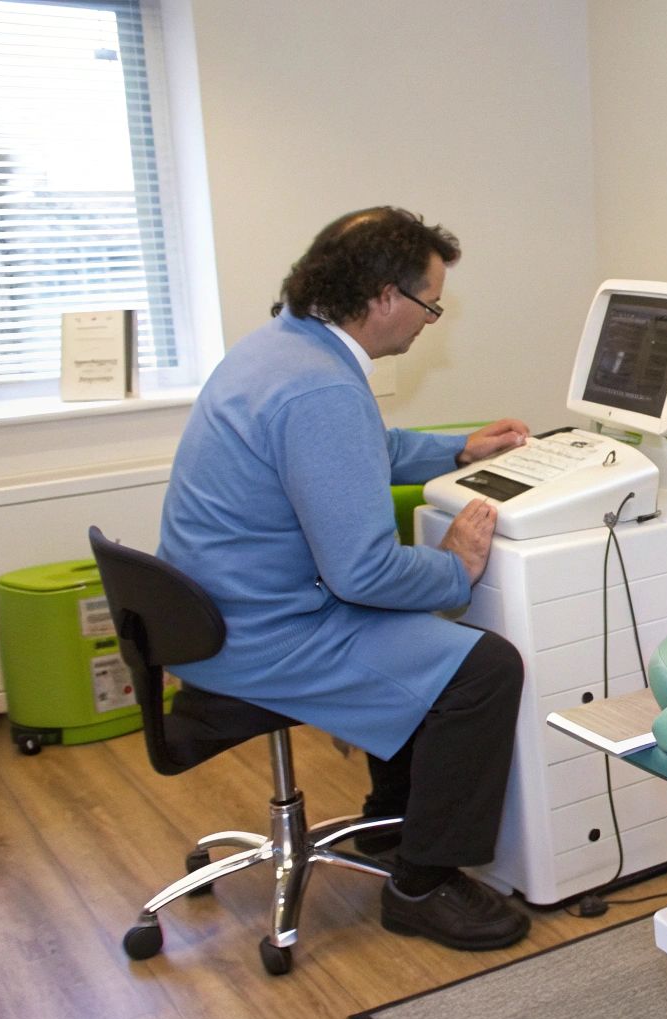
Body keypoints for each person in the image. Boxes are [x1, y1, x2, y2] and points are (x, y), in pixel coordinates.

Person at [158, 207, 531, 951]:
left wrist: (458, 449)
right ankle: (424, 884)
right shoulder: (321, 388)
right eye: (430, 303)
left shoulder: (283, 348)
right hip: (263, 638)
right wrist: (453, 568)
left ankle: (392, 825)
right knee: (483, 667)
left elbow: (358, 449)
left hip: (211, 617)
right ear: (385, 298)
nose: (431, 321)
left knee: (418, 640)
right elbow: (362, 573)